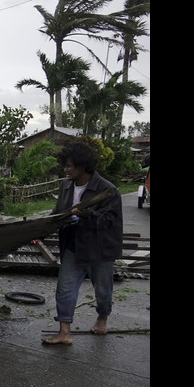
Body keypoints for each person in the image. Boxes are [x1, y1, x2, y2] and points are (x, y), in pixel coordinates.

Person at [42, 142, 123, 345]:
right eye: (65, 165)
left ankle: (102, 318)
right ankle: (64, 332)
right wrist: (42, 225)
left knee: (103, 290)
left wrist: (88, 214)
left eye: (69, 166)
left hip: (98, 248)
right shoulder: (66, 185)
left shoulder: (107, 190)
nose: (66, 169)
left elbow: (110, 221)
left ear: (82, 166)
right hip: (73, 244)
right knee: (65, 288)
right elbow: (58, 211)